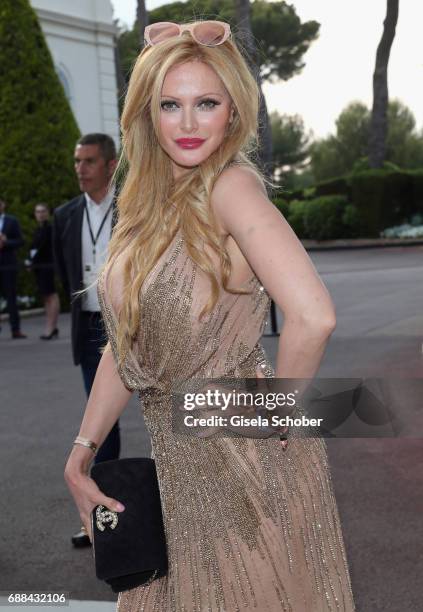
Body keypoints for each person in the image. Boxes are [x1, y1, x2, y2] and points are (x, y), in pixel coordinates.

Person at [64, 21, 355, 611]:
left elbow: (313, 314)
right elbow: (128, 350)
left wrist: (277, 417)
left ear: (233, 112)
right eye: (171, 104)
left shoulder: (231, 186)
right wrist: (82, 448)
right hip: (177, 471)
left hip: (239, 462)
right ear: (147, 112)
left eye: (207, 103)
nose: (190, 124)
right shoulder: (144, 206)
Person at [53, 133, 120, 548]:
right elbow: (67, 275)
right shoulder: (65, 216)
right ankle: (103, 514)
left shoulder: (135, 208)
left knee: (167, 417)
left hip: (135, 326)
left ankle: (179, 511)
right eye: (78, 161)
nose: (80, 168)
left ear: (111, 165)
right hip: (91, 328)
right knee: (101, 427)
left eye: (89, 161)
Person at [26, 203, 60, 339]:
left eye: (42, 211)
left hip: (48, 267)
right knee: (46, 297)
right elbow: (34, 249)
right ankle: (51, 326)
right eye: (37, 211)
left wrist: (32, 262)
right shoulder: (38, 230)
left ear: (48, 213)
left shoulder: (50, 228)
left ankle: (51, 328)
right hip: (39, 268)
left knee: (51, 295)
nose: (40, 214)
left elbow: (43, 249)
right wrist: (29, 261)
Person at [0, 199, 27, 339]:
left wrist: (6, 241)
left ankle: (15, 329)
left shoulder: (12, 220)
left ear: (3, 204)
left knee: (11, 297)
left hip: (8, 265)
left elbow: (20, 240)